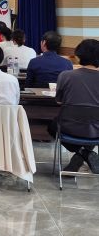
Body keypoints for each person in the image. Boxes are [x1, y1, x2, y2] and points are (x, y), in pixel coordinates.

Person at [49, 39, 99, 173]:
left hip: (69, 128)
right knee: (91, 124)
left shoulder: (66, 76)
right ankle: (86, 153)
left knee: (52, 126)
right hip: (97, 130)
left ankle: (83, 152)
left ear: (79, 54)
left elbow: (59, 101)